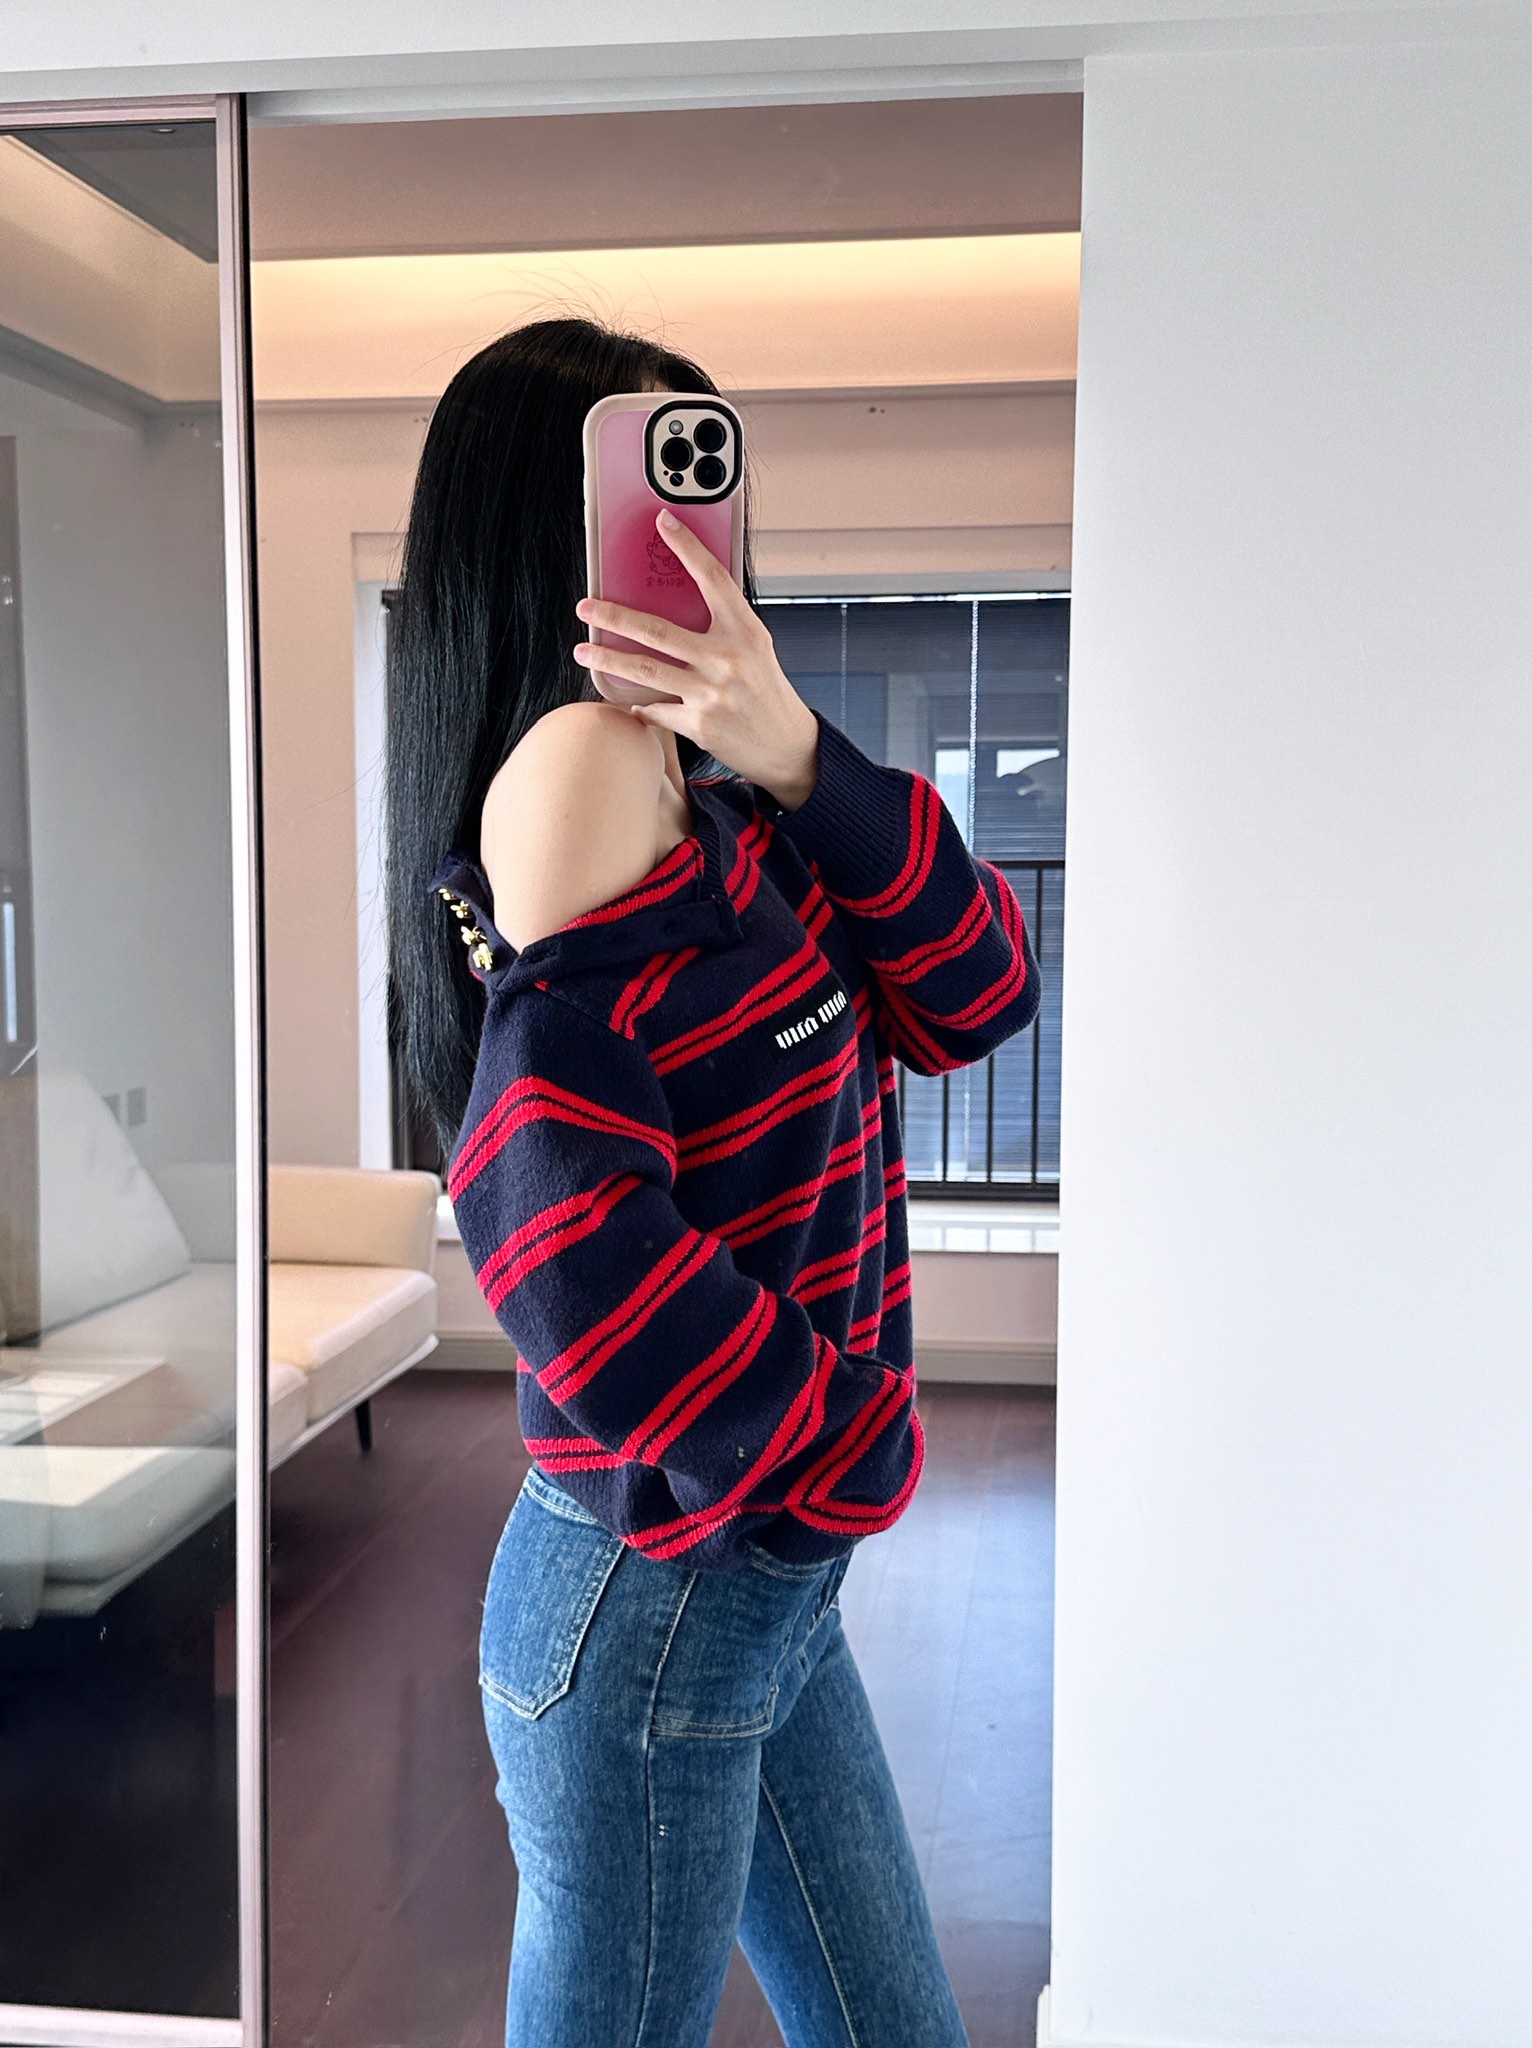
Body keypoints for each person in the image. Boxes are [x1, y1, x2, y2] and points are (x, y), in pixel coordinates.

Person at [385, 316, 1041, 2048]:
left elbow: (981, 993)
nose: (692, 537)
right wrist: (845, 1436)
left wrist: (804, 754)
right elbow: (560, 1241)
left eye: (707, 491)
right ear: (550, 538)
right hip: (664, 1587)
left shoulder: (725, 788)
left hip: (752, 1579)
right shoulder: (584, 776)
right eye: (645, 497)